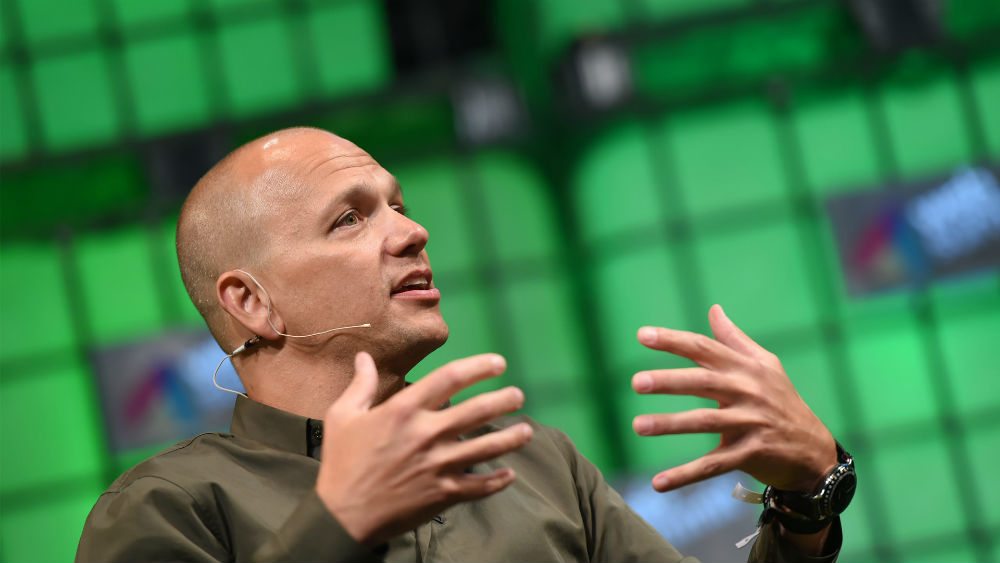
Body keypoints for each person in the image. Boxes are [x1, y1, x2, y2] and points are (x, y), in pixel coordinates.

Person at [76, 127, 849, 562]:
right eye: (350, 219)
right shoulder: (168, 508)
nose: (413, 232)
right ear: (252, 302)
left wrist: (807, 499)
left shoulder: (536, 462)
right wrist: (336, 525)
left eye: (399, 206)